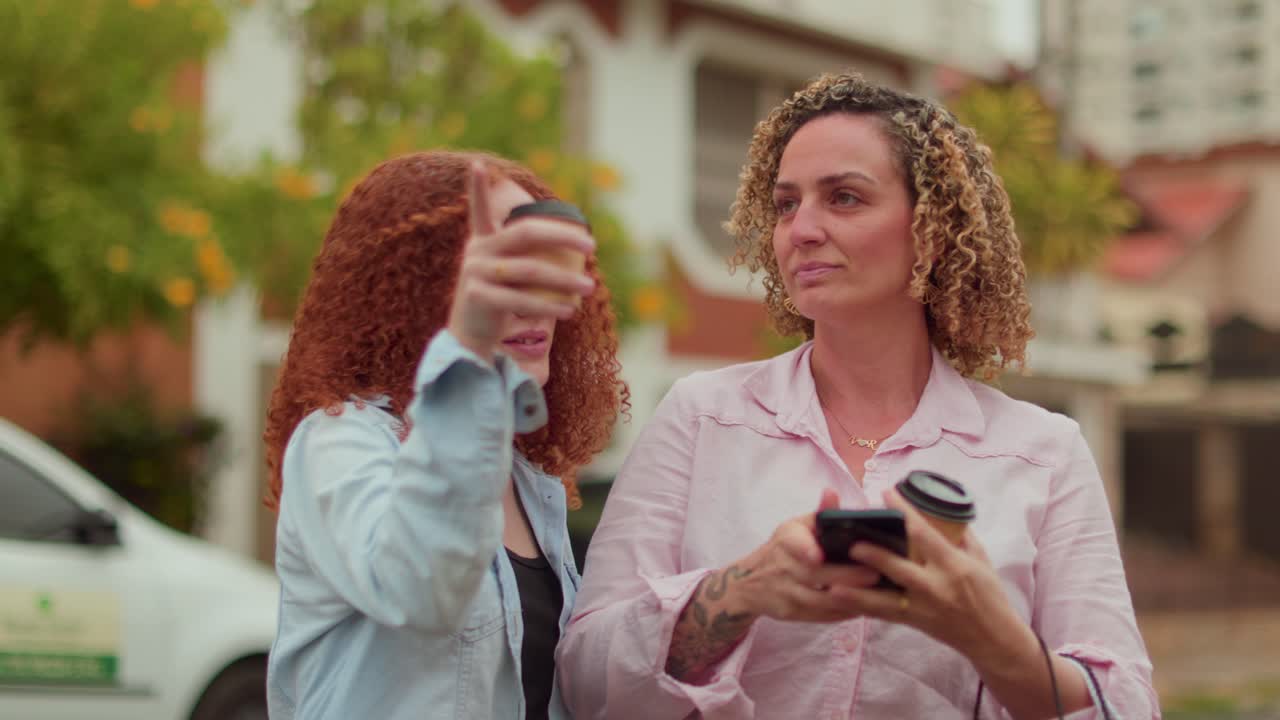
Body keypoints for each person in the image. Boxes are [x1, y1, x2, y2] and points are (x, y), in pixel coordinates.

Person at [557, 73, 1157, 719]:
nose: (802, 229)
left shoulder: (1044, 454)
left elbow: (1125, 704)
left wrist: (991, 636)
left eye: (844, 198)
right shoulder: (700, 416)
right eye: (787, 204)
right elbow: (586, 678)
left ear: (930, 228)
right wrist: (742, 590)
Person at [262, 150, 626, 719]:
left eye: (536, 262)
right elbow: (419, 588)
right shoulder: (337, 442)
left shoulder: (532, 482)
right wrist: (468, 353)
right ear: (412, 289)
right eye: (497, 267)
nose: (531, 299)